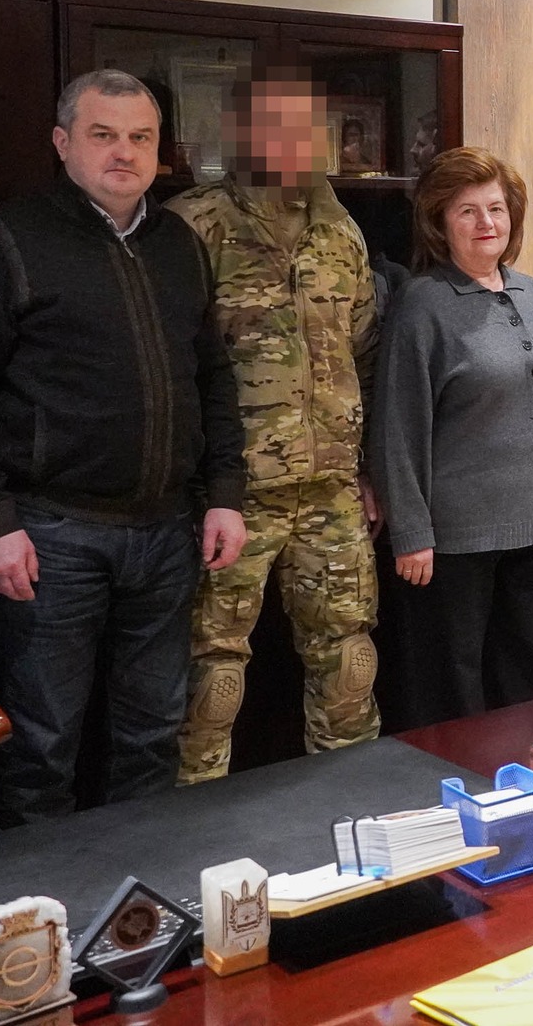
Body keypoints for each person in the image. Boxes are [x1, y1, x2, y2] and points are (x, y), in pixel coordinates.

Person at [0, 69, 247, 822]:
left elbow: (213, 377)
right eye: (103, 135)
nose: (123, 152)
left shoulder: (180, 244)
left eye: (140, 137)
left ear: (160, 151)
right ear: (63, 142)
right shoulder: (3, 238)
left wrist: (225, 495)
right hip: (51, 534)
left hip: (168, 532)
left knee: (152, 735)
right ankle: (43, 895)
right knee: (43, 743)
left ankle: (141, 887)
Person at [169, 64, 382, 783]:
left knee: (348, 657)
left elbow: (364, 351)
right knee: (211, 672)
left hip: (331, 491)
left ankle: (351, 809)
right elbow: (173, 366)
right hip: (233, 495)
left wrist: (367, 469)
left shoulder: (341, 229)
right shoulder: (195, 224)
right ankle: (195, 820)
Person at [371, 147, 533, 726]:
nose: (486, 222)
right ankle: (455, 784)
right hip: (453, 541)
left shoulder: (530, 292)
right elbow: (398, 426)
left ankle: (527, 774)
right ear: (440, 222)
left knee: (531, 677)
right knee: (452, 689)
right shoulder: (423, 304)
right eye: (467, 211)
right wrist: (411, 532)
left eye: (496, 208)